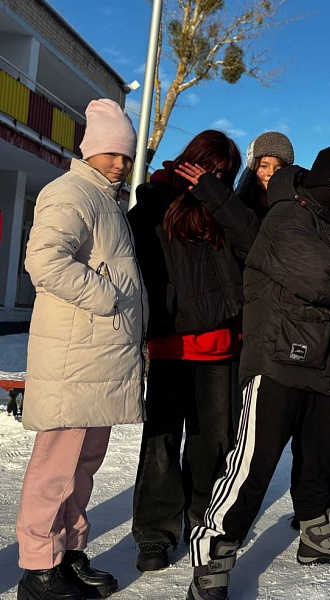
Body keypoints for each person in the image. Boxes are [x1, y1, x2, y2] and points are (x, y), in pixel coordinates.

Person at [187, 146, 330, 600]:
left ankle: (317, 534)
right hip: (278, 360)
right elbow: (327, 284)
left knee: (322, 460)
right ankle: (213, 555)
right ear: (316, 180)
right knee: (252, 466)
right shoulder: (286, 218)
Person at [17, 99, 146, 600]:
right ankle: (36, 568)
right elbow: (45, 261)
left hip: (101, 359)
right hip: (74, 357)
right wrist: (108, 297)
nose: (120, 163)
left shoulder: (108, 202)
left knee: (83, 466)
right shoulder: (70, 191)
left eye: (126, 155)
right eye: (111, 153)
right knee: (55, 466)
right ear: (90, 150)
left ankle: (67, 554)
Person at [127, 130, 256, 572]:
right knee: (161, 443)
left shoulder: (226, 208)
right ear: (190, 158)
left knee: (212, 445)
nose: (213, 175)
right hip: (170, 344)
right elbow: (140, 268)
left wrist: (214, 193)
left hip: (220, 346)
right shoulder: (154, 201)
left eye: (223, 173)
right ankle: (155, 533)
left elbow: (253, 245)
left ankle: (203, 520)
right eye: (208, 166)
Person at [234, 131, 294, 221]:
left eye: (277, 169)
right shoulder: (240, 207)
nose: (270, 173)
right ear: (253, 168)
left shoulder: (292, 208)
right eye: (264, 166)